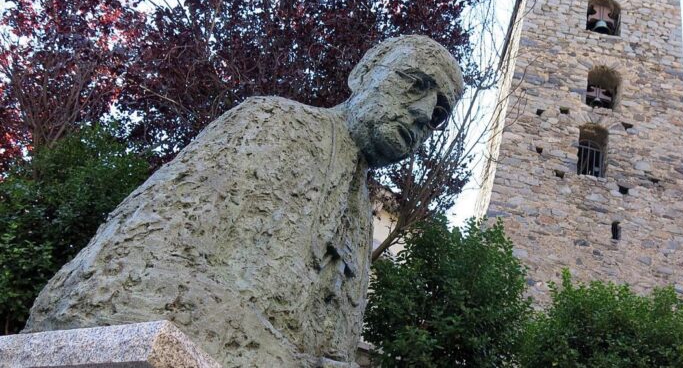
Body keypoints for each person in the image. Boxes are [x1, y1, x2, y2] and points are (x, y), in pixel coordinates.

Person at [24, 35, 464, 368]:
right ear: (364, 75)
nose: (425, 114)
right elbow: (124, 272)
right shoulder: (271, 124)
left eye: (440, 114)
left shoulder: (362, 219)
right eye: (414, 84)